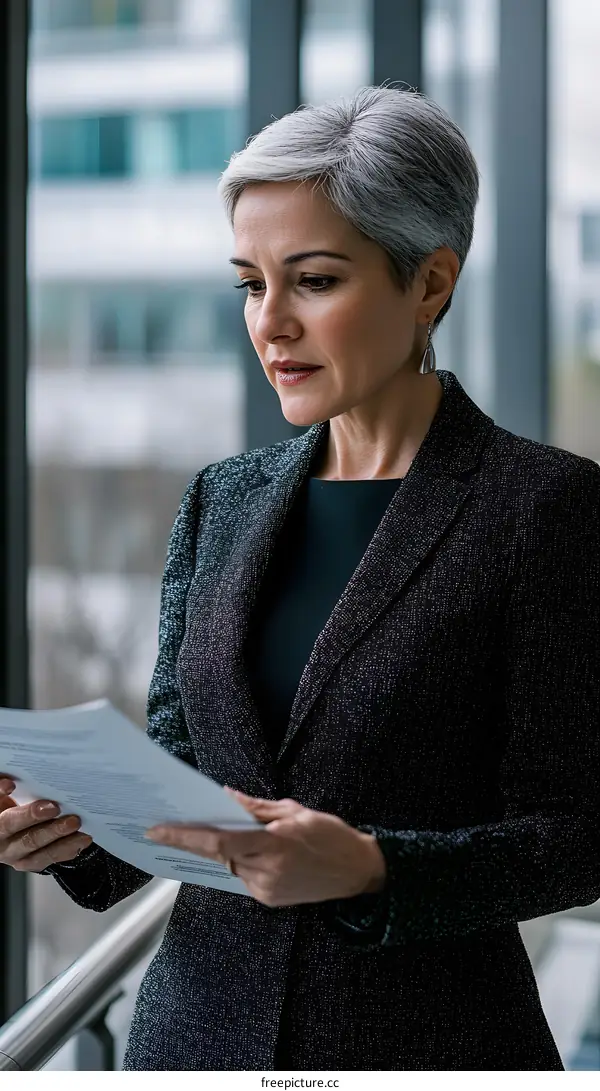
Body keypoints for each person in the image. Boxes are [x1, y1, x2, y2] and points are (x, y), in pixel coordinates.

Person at [1, 84, 600, 1072]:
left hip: (423, 1046)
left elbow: (579, 831)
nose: (270, 322)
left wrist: (371, 865)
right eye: (249, 283)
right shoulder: (220, 501)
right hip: (194, 1043)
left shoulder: (545, 508)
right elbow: (184, 775)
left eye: (313, 280)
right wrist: (69, 834)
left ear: (430, 283)